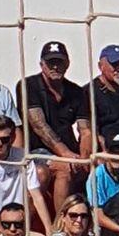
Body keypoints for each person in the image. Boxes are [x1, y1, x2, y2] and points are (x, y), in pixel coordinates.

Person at [18, 40, 91, 216]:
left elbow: (85, 130)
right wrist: (66, 154)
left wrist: (84, 159)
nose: (55, 67)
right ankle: (60, 228)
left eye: (59, 62)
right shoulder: (28, 85)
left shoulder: (77, 92)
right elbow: (39, 125)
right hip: (37, 150)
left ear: (67, 64)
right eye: (51, 62)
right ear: (42, 64)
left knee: (98, 169)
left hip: (70, 153)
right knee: (64, 169)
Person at [0, 117, 48, 236]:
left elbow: (37, 196)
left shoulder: (22, 157)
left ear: (12, 139)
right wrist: (1, 233)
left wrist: (49, 230)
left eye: (4, 139)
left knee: (30, 195)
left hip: (18, 221)